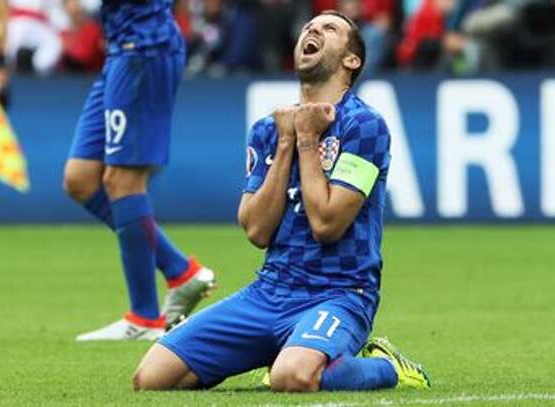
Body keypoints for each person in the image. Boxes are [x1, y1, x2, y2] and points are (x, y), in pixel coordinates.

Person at [132, 10, 431, 392]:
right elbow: (256, 230)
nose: (313, 29)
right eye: (309, 26)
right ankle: (294, 348)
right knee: (152, 377)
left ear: (351, 60)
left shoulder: (364, 126)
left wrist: (306, 139)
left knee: (292, 377)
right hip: (269, 292)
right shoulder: (268, 130)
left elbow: (327, 224)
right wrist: (287, 140)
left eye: (329, 28)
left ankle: (388, 367)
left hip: (339, 294)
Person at [63, 0, 215, 342]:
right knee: (80, 178)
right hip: (120, 49)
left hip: (144, 48)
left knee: (123, 180)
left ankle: (145, 317)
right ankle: (180, 271)